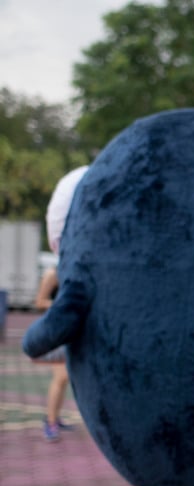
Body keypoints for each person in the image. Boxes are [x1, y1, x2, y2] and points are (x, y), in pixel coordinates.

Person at [35, 165, 88, 442]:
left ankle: (55, 417)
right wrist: (59, 308)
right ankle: (50, 422)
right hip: (58, 329)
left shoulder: (74, 270)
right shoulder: (53, 273)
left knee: (71, 378)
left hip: (72, 330)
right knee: (62, 378)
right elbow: (40, 301)